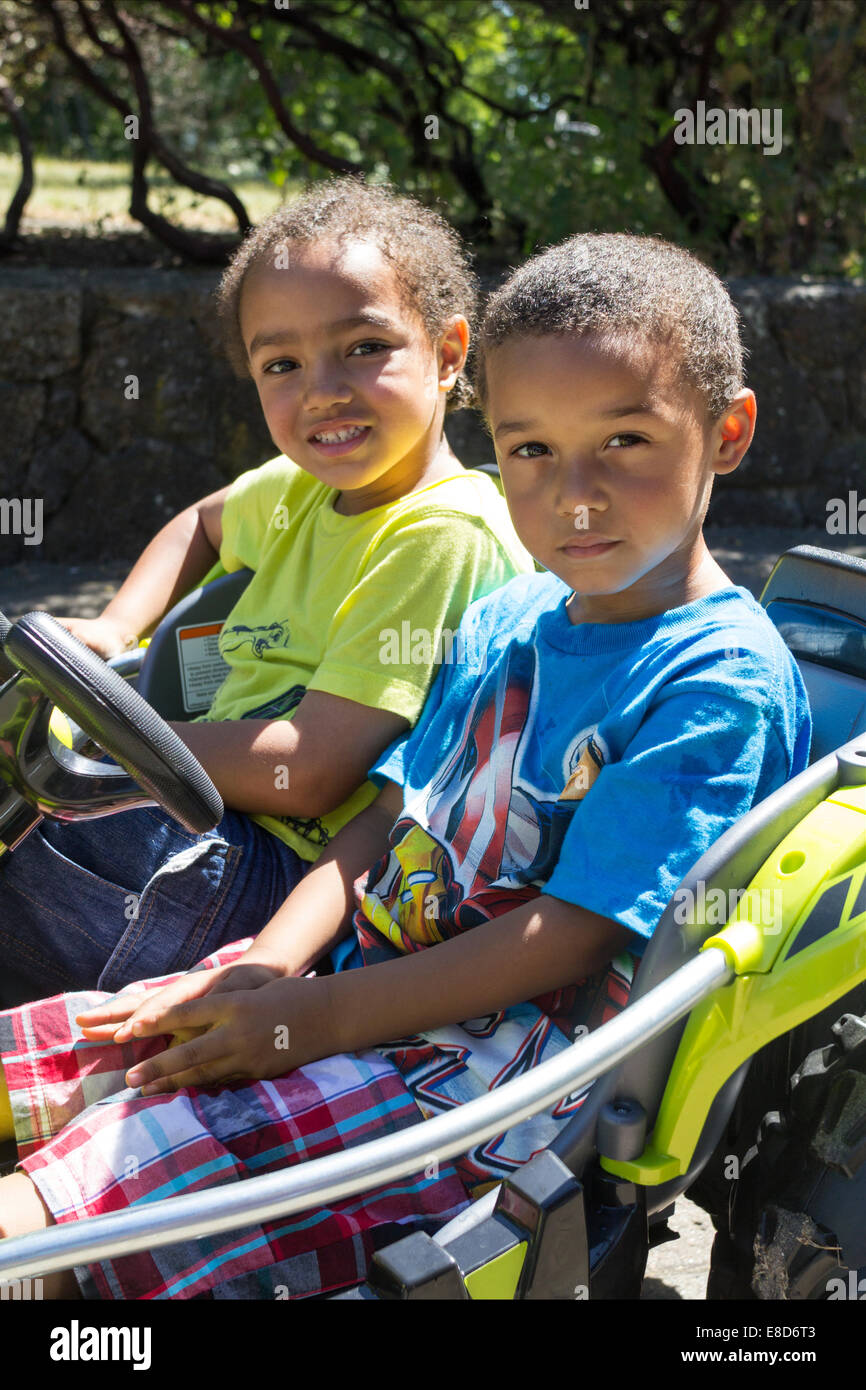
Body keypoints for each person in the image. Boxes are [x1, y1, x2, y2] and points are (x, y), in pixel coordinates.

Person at [0, 232, 812, 1300]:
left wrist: (307, 1023)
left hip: (479, 1089)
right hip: (348, 992)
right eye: (528, 449)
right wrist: (262, 970)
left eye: (623, 439)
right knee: (47, 1055)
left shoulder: (714, 681)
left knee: (59, 1221)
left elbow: (570, 935)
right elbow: (386, 814)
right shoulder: (511, 611)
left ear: (727, 431)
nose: (573, 496)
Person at [0, 178, 531, 1004]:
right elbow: (202, 526)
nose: (323, 390)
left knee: (34, 826)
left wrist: (116, 736)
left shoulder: (440, 536)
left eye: (364, 347)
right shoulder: (301, 488)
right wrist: (112, 628)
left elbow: (313, 772)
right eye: (282, 363)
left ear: (450, 353)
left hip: (271, 871)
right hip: (194, 812)